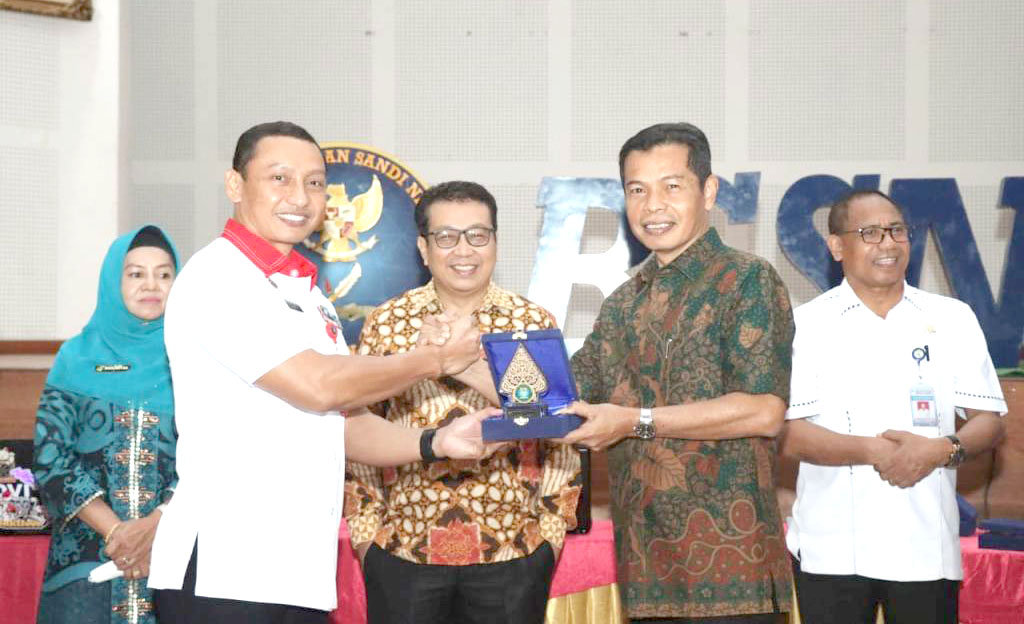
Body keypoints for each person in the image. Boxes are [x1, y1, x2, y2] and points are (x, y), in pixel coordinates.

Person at [147, 122, 500, 624]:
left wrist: (436, 442)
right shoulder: (218, 276)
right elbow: (317, 386)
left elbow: (346, 425)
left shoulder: (309, 296)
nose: (300, 197)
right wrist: (435, 360)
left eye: (314, 183)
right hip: (225, 570)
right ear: (235, 185)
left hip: (298, 573)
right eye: (280, 178)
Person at [563, 122, 794, 623]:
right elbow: (564, 394)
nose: (653, 206)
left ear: (708, 191)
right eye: (637, 190)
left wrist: (634, 421)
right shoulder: (623, 303)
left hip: (737, 579)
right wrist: (460, 362)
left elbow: (763, 411)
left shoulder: (747, 279)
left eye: (672, 186)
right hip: (647, 578)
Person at [345, 181, 582, 624]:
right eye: (446, 237)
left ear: (495, 242)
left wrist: (548, 538)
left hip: (514, 554)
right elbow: (357, 425)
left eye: (477, 235)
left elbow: (559, 432)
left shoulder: (529, 321)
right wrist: (366, 539)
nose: (464, 250)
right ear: (423, 247)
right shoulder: (387, 323)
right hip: (402, 553)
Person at [779, 190, 1006, 624]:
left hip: (927, 546)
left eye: (896, 230)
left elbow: (989, 422)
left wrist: (940, 450)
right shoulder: (805, 324)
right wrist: (874, 451)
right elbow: (788, 433)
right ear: (837, 246)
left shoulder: (952, 317)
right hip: (832, 550)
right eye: (870, 233)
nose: (888, 243)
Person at [34, 225, 179, 624]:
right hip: (84, 563)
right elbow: (50, 457)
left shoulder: (193, 358)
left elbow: (210, 455)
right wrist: (118, 533)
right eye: (136, 274)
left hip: (171, 558)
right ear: (114, 282)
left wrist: (155, 527)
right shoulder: (76, 357)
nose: (151, 285)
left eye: (164, 274)